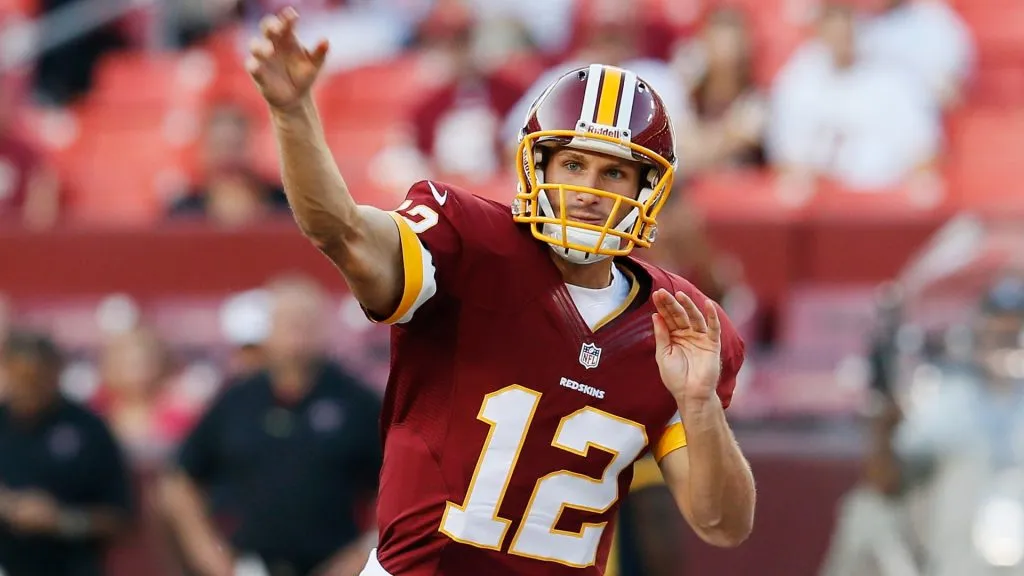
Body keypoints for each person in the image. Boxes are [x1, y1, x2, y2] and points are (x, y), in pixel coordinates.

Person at [246, 7, 756, 575]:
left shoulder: (671, 321)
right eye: (573, 164)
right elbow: (339, 229)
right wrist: (292, 115)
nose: (588, 190)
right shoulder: (467, 246)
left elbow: (722, 524)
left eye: (613, 173)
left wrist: (699, 404)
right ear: (537, 168)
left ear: (648, 189)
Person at [160, 276, 383, 576]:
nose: (297, 333)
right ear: (268, 328)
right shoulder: (236, 400)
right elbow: (180, 481)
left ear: (324, 328)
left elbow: (399, 487)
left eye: (306, 321)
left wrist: (363, 554)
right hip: (251, 565)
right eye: (287, 321)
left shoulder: (357, 402)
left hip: (334, 564)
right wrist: (208, 552)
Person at [0, 329, 133, 576]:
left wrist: (61, 520)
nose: (29, 388)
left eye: (37, 378)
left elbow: (119, 516)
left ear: (55, 372)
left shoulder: (88, 429)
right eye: (21, 378)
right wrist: (9, 506)